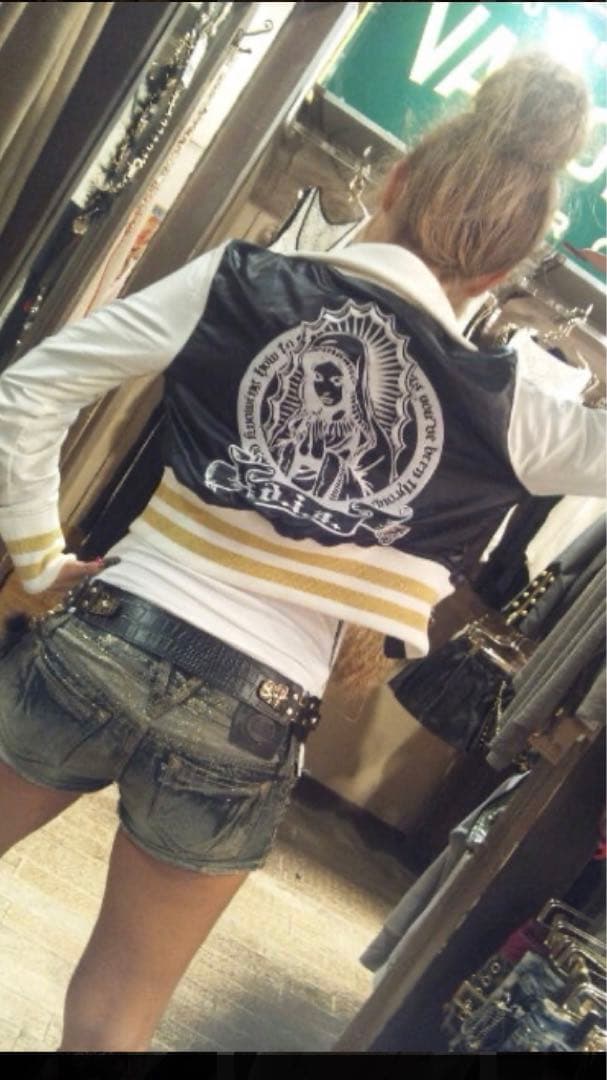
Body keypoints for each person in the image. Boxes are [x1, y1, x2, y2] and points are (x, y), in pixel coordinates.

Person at [0, 53, 603, 1052]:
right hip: (253, 715)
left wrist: (37, 555)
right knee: (112, 1017)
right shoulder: (519, 411)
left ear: (394, 181)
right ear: (506, 269)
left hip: (106, 636)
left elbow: (26, 390)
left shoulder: (240, 281)